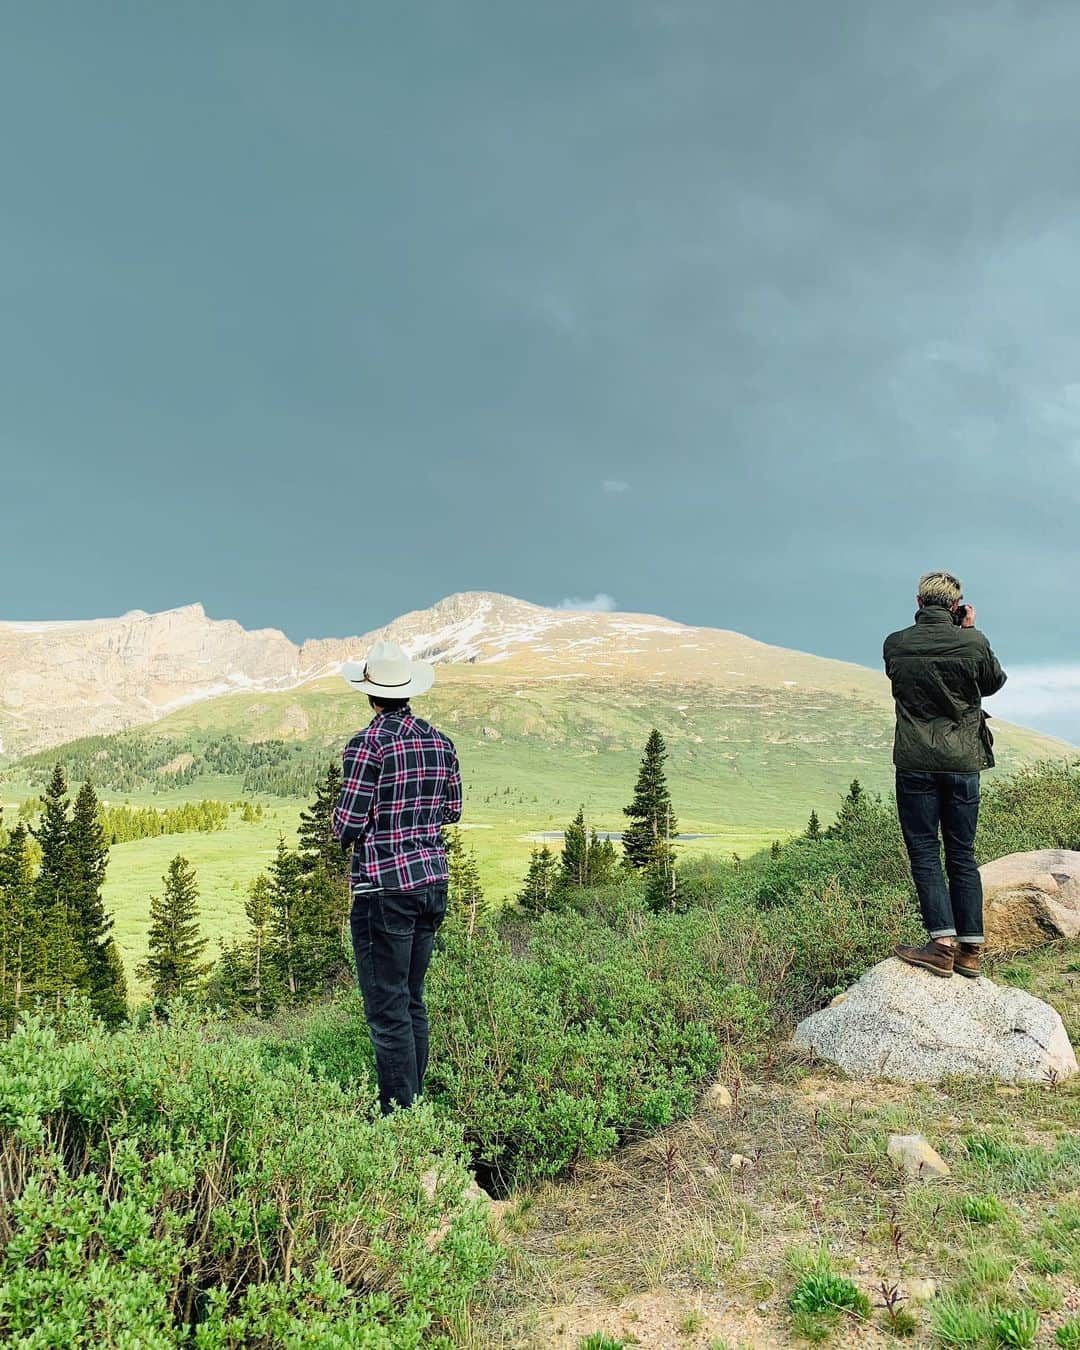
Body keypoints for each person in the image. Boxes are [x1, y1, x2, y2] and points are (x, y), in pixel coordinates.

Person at [331, 639, 461, 1112]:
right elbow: (452, 810)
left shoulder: (366, 746)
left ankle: (400, 1122)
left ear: (370, 693)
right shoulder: (440, 742)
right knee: (411, 1001)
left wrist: (376, 824)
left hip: (383, 889)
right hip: (432, 883)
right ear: (408, 690)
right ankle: (416, 1105)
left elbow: (346, 824)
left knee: (387, 1013)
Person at [884, 571, 1006, 979]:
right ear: (956, 607)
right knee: (962, 854)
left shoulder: (896, 644)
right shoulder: (973, 642)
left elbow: (903, 685)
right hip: (963, 764)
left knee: (924, 852)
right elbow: (993, 683)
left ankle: (940, 946)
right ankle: (970, 950)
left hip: (916, 761)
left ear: (919, 604)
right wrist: (970, 632)